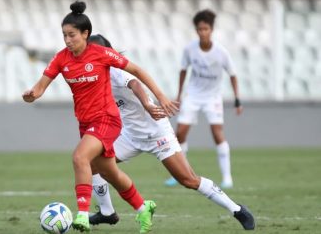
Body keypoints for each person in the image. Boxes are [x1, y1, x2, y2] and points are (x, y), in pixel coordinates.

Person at [22, 1, 178, 233]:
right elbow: (41, 86)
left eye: (72, 35)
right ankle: (142, 207)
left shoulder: (101, 54)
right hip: (86, 123)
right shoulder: (61, 58)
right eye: (64, 35)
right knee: (109, 172)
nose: (67, 40)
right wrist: (32, 94)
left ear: (85, 34)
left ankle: (83, 214)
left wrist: (160, 97)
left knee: (79, 158)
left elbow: (137, 72)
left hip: (107, 119)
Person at [87, 34, 255, 231]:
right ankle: (107, 212)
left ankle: (237, 210)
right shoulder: (94, 75)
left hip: (157, 134)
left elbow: (136, 84)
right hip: (130, 136)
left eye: (95, 52)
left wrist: (148, 104)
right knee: (92, 163)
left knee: (188, 180)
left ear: (107, 53)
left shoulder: (116, 71)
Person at [165, 9, 243, 189]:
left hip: (212, 98)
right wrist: (178, 95)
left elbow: (232, 74)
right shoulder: (190, 50)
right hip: (193, 95)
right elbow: (183, 70)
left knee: (217, 134)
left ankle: (227, 177)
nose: (203, 32)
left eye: (206, 29)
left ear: (212, 30)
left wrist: (237, 99)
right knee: (180, 134)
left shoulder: (221, 52)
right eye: (200, 29)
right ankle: (179, 175)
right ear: (196, 30)